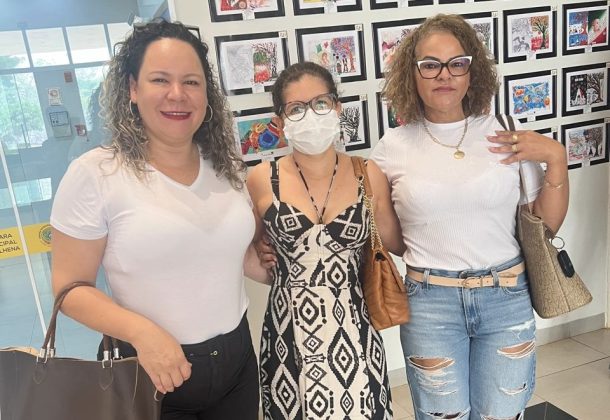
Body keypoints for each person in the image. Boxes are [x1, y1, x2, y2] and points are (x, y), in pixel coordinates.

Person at [50, 19, 266, 420]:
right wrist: (141, 332)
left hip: (237, 364)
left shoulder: (227, 168)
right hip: (148, 373)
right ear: (132, 89)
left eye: (191, 82)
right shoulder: (96, 173)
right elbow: (68, 289)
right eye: (160, 80)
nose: (177, 94)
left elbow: (232, 254)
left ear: (207, 94)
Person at [372, 14, 569, 420]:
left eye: (456, 63)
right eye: (430, 65)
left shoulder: (504, 132)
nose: (444, 75)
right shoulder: (392, 148)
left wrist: (557, 158)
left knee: (503, 413)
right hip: (431, 304)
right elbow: (392, 237)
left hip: (506, 297)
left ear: (471, 70)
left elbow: (545, 224)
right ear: (412, 73)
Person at [247, 61, 405, 419]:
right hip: (288, 334)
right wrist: (275, 266)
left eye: (320, 103)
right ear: (280, 121)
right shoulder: (260, 179)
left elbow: (397, 242)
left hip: (355, 328)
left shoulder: (368, 173)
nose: (310, 115)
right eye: (296, 108)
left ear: (337, 107)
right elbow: (244, 248)